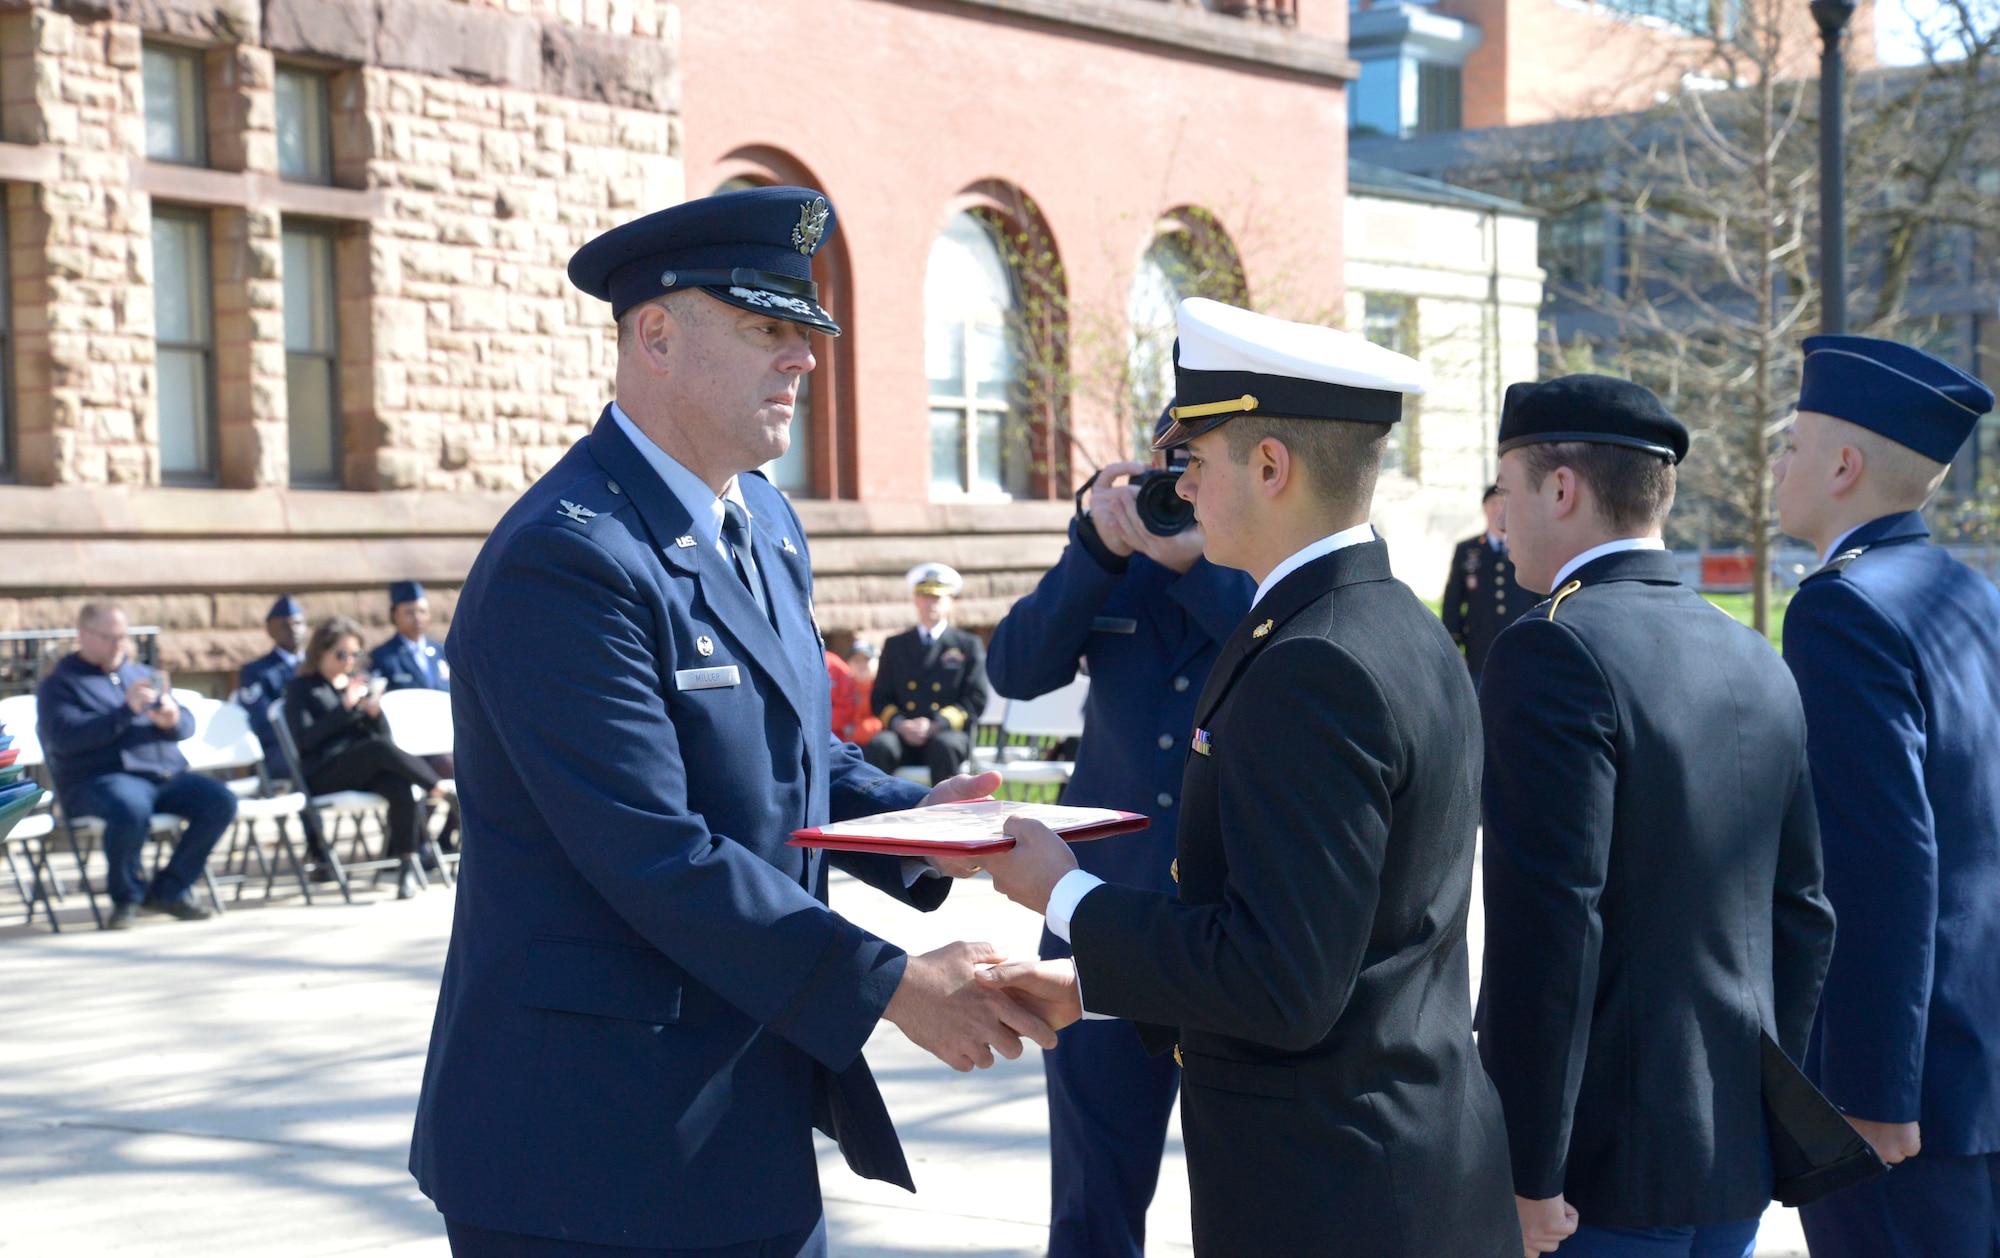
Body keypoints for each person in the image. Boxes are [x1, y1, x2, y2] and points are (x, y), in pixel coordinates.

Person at [409, 186, 1055, 1258]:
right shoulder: (567, 560)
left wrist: (916, 824)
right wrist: (893, 984)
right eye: (765, 328)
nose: (801, 358)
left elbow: (793, 747)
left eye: (803, 332)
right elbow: (652, 849)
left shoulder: (758, 517)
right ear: (653, 336)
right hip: (584, 1149)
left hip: (736, 1109)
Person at [975, 297, 1518, 1257]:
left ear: (1270, 467)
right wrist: (1097, 985)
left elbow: (1281, 981)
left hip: (1335, 1193)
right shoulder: (1394, 624)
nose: (1177, 490)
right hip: (1388, 1169)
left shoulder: (1313, 662)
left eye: (1194, 461)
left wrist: (1063, 892)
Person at [1476, 375, 1836, 1258]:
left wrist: (1526, 1168)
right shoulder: (1752, 654)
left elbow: (1550, 931)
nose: (1499, 518)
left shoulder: (1552, 645)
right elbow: (1804, 915)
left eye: (1509, 489)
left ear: (1561, 489)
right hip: (1731, 1154)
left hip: (1598, 1171)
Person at [983, 412, 1253, 1258]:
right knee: (1094, 1198)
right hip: (1099, 917)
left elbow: (1277, 641)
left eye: (1196, 469)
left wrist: (1195, 564)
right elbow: (1016, 669)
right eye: (1168, 471)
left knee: (1252, 1198)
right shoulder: (1114, 562)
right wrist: (1097, 550)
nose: (1180, 492)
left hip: (1229, 931)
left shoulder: (1260, 568)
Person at [1771, 336, 2000, 1258]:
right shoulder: (1971, 596)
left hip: (1910, 1094)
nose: (1777, 466)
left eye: (1790, 447)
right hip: (1975, 1065)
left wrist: (1872, 1091)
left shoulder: (1842, 609)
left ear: (1843, 465)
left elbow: (1879, 863)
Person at [36, 601, 237, 929]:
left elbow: (186, 726)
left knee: (221, 801)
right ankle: (127, 898)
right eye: (109, 637)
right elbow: (66, 737)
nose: (119, 645)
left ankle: (169, 889)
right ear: (83, 634)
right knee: (130, 807)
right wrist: (125, 712)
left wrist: (171, 718)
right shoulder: (60, 685)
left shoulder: (141, 674)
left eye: (123, 637)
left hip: (164, 774)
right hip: (102, 778)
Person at [284, 616, 443, 901]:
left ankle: (407, 864)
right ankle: (438, 788)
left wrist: (374, 714)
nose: (348, 662)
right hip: (322, 773)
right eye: (341, 654)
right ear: (321, 652)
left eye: (355, 655)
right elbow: (305, 741)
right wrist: (345, 708)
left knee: (399, 785)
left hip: (363, 769)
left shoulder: (357, 684)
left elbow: (382, 736)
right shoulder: (302, 688)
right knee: (377, 750)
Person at [862, 563, 989, 783]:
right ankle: (875, 811)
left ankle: (949, 813)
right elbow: (880, 697)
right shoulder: (896, 645)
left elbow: (976, 698)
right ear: (916, 600)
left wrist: (936, 724)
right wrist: (900, 724)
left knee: (945, 746)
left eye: (938, 598)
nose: (931, 603)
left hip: (946, 733)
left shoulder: (968, 645)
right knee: (879, 745)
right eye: (926, 597)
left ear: (950, 602)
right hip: (904, 732)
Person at [1440, 485, 1525, 687]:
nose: (1497, 508)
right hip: (1480, 650)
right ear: (1484, 508)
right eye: (1492, 503)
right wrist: (1453, 646)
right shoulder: (1467, 550)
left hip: (1521, 646)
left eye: (1502, 503)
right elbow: (1453, 600)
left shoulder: (1526, 547)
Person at [234, 594, 308, 782]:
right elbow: (260, 723)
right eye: (285, 625)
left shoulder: (319, 665)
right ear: (270, 630)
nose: (293, 629)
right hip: (279, 751)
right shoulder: (256, 671)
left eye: (298, 623)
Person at [371, 581, 449, 693]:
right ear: (394, 615)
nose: (417, 618)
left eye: (422, 611)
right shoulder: (384, 656)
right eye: (409, 613)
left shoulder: (441, 652)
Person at [828, 640, 882, 746]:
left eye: (866, 660)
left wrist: (856, 731)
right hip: (842, 744)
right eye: (857, 660)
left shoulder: (882, 688)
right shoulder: (842, 686)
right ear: (849, 664)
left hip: (872, 744)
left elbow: (883, 720)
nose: (861, 664)